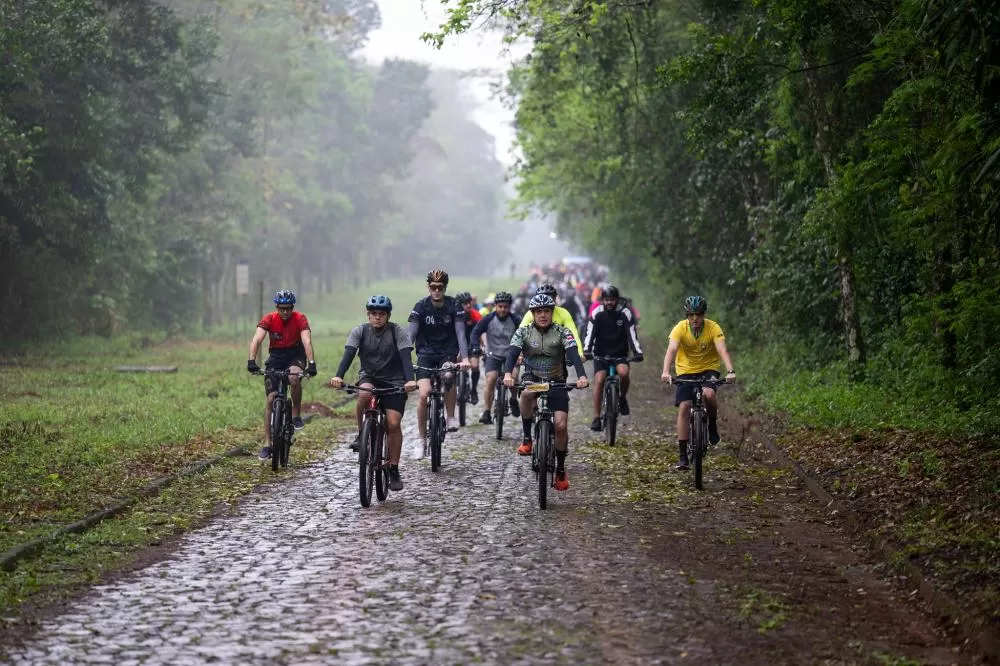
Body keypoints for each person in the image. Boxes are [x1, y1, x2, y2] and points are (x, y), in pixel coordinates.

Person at [327, 295, 416, 491]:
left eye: (381, 314)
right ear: (368, 315)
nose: (377, 317)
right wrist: (338, 376)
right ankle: (361, 434)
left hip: (395, 380)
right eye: (373, 313)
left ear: (388, 315)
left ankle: (393, 468)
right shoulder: (359, 331)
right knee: (364, 394)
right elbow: (348, 355)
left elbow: (405, 358)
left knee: (393, 423)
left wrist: (410, 380)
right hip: (370, 376)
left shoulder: (397, 331)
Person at [504, 294, 589, 491]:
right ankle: (527, 439)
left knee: (560, 425)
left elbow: (574, 354)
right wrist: (508, 374)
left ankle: (560, 468)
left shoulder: (562, 331)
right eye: (539, 312)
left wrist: (582, 376)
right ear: (533, 314)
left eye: (547, 311)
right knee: (525, 394)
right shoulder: (523, 332)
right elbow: (512, 353)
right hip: (533, 378)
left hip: (556, 381)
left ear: (552, 313)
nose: (543, 315)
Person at [660, 295, 736, 470]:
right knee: (685, 406)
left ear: (704, 315)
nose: (695, 318)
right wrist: (665, 371)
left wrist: (730, 370)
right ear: (687, 315)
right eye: (691, 314)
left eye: (699, 314)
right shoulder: (680, 328)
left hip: (708, 368)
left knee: (708, 394)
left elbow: (722, 349)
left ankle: (712, 425)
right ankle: (682, 456)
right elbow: (671, 350)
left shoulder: (713, 327)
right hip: (686, 371)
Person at [246, 289, 317, 461]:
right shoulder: (270, 318)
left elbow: (306, 340)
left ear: (292, 307)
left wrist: (312, 363)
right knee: (271, 399)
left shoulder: (300, 318)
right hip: (276, 356)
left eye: (288, 308)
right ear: (276, 307)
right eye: (281, 308)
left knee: (294, 377)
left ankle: (296, 415)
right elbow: (257, 339)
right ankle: (267, 444)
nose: (285, 312)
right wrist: (251, 361)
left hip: (295, 356)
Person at [408, 269, 472, 457]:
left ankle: (450, 416)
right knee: (423, 395)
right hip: (425, 353)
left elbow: (461, 334)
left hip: (447, 352)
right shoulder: (420, 307)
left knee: (449, 375)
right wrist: (403, 358)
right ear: (428, 287)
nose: (436, 290)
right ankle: (421, 441)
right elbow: (410, 336)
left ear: (445, 288)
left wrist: (466, 358)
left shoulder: (454, 306)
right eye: (433, 287)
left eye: (440, 287)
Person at [583, 284, 643, 431]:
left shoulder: (625, 313)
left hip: (620, 353)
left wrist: (637, 352)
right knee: (599, 380)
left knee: (623, 373)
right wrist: (587, 350)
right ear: (603, 300)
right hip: (601, 353)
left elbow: (632, 334)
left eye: (612, 299)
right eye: (607, 299)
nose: (609, 302)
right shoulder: (597, 313)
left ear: (617, 300)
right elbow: (589, 333)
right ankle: (596, 417)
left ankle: (622, 398)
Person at [470, 290, 522, 424]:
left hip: (511, 355)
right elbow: (475, 332)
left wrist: (522, 353)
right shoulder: (488, 319)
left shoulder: (516, 320)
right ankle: (487, 411)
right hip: (493, 355)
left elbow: (524, 336)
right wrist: (476, 347)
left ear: (509, 307)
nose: (503, 309)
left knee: (514, 378)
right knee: (490, 379)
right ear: (495, 306)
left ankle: (513, 399)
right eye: (500, 306)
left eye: (505, 307)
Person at [518, 283, 584, 354]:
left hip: (556, 354)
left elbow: (573, 334)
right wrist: (519, 354)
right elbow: (520, 335)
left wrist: (580, 353)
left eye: (550, 298)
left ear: (555, 298)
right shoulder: (530, 314)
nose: (546, 301)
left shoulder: (563, 313)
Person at [456, 291, 483, 405]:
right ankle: (458, 387)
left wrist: (483, 345)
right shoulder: (455, 314)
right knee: (454, 366)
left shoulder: (475, 314)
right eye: (465, 303)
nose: (468, 305)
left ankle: (473, 390)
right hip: (457, 344)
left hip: (472, 344)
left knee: (475, 366)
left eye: (469, 302)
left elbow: (481, 331)